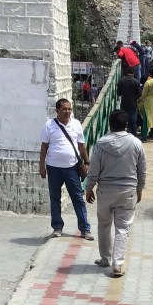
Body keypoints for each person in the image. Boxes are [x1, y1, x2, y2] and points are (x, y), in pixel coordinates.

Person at [85, 109, 146, 278]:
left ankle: (105, 258)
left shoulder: (100, 144)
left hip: (105, 191)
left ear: (110, 124)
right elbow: (142, 170)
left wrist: (89, 188)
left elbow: (93, 170)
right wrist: (140, 189)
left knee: (104, 225)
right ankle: (117, 264)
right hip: (128, 191)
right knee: (123, 228)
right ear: (126, 124)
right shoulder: (136, 143)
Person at [39, 98, 94, 239]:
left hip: (72, 168)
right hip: (53, 168)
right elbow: (44, 147)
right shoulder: (49, 125)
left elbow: (81, 145)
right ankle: (57, 227)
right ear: (57, 110)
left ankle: (85, 229)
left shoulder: (76, 124)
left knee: (78, 198)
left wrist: (87, 161)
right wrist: (42, 166)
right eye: (64, 109)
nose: (67, 111)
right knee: (55, 198)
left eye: (69, 109)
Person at [117, 67, 142, 137]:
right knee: (133, 122)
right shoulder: (136, 82)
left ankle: (123, 136)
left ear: (126, 72)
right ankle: (133, 136)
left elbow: (118, 93)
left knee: (123, 121)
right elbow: (139, 94)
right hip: (133, 104)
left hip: (124, 104)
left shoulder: (121, 81)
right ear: (133, 73)